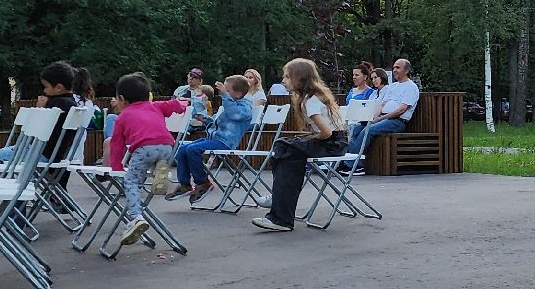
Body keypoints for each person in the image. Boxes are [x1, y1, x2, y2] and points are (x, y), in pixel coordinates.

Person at [252, 58, 350, 233]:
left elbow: (326, 133)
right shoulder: (313, 97)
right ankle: (279, 207)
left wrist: (309, 138)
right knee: (286, 150)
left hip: (331, 143)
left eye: (287, 77)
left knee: (283, 147)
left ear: (300, 78)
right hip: (337, 141)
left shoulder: (310, 101)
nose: (283, 80)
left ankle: (280, 211)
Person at [104, 73, 187, 245]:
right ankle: (160, 170)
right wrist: (182, 106)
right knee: (155, 159)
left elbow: (117, 144)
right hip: (166, 146)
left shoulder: (123, 116)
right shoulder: (155, 106)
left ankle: (136, 217)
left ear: (122, 98)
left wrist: (117, 167)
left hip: (143, 148)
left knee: (132, 181)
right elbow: (173, 105)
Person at [166, 75, 256, 204]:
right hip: (215, 138)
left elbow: (234, 114)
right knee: (182, 149)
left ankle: (203, 183)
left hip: (225, 142)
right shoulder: (231, 103)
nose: (224, 94)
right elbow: (219, 122)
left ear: (238, 93)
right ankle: (184, 184)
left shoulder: (245, 107)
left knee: (192, 150)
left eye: (228, 91)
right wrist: (206, 120)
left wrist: (225, 97)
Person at [0, 61, 81, 165]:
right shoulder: (72, 105)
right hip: (56, 156)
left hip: (39, 153)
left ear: (58, 88)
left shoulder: (57, 104)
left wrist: (39, 109)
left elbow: (36, 129)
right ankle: (6, 180)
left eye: (46, 86)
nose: (44, 91)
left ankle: (4, 182)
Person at [346, 58, 420, 160]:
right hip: (384, 118)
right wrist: (374, 118)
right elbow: (382, 104)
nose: (394, 70)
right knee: (356, 128)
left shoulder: (411, 87)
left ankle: (352, 163)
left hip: (397, 121)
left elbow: (401, 110)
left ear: (407, 71)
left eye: (398, 67)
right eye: (394, 67)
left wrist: (381, 118)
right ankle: (350, 160)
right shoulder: (393, 86)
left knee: (368, 130)